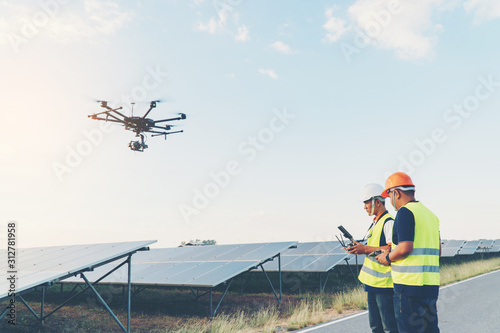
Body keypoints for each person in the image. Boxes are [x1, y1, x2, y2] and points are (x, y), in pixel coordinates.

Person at [376, 172, 440, 333]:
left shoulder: (405, 212)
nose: (390, 201)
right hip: (430, 287)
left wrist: (388, 257)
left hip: (409, 288)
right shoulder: (431, 216)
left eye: (389, 195)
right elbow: (438, 251)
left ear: (396, 193)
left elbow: (405, 247)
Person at [347, 183, 398, 333]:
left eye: (366, 202)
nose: (364, 207)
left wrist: (365, 249)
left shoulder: (389, 222)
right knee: (376, 326)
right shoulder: (376, 223)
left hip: (385, 285)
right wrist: (360, 248)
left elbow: (391, 249)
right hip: (372, 283)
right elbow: (376, 249)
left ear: (377, 201)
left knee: (389, 327)